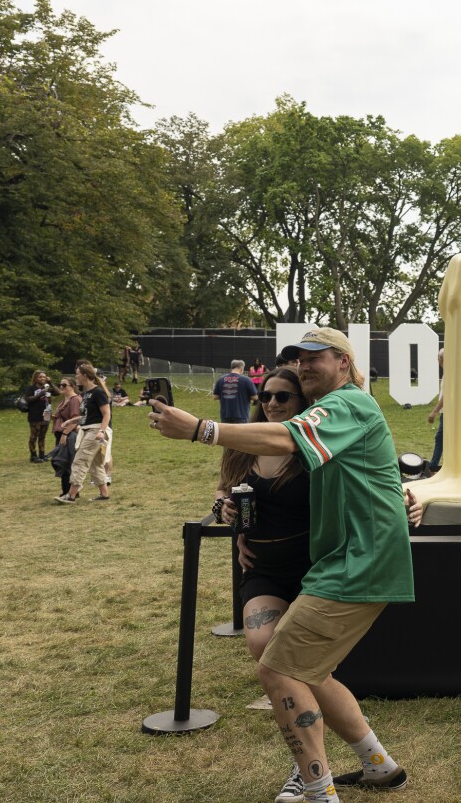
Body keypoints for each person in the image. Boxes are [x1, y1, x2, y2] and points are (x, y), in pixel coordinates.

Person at [150, 327, 414, 801]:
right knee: (303, 670)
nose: (305, 366)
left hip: (359, 562)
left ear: (346, 364)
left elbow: (291, 438)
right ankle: (379, 765)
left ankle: (317, 790)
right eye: (299, 359)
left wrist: (200, 428)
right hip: (339, 561)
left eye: (317, 357)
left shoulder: (349, 403)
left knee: (277, 668)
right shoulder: (330, 411)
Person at [221, 366, 428, 803]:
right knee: (275, 654)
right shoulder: (247, 445)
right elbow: (228, 493)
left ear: (303, 405)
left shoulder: (316, 439)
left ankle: (316, 777)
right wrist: (228, 513)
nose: (273, 404)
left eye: (284, 397)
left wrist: (414, 497)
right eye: (266, 396)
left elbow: (375, 474)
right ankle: (365, 767)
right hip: (262, 567)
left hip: (312, 567)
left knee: (290, 667)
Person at [56, 363, 111, 503]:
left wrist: (101, 431)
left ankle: (71, 495)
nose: (76, 377)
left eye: (77, 374)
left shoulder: (98, 392)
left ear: (85, 375)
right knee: (95, 463)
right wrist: (71, 421)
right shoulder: (86, 394)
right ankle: (104, 494)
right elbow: (87, 416)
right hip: (87, 429)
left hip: (95, 431)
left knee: (80, 460)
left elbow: (106, 414)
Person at [50, 377, 81, 499]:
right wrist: (51, 417)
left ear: (72, 386)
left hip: (68, 435)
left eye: (64, 385)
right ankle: (68, 490)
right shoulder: (64, 400)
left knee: (65, 462)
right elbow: (62, 418)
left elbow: (76, 419)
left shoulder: (74, 400)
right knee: (62, 462)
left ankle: (70, 491)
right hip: (60, 434)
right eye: (60, 385)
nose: (61, 387)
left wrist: (65, 434)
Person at [214, 359, 259, 425]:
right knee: (241, 434)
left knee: (227, 434)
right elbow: (255, 397)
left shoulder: (220, 379)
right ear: (241, 369)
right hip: (241, 414)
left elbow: (215, 397)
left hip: (225, 414)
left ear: (231, 368)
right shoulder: (246, 380)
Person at [22, 371, 53, 463]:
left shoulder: (47, 387)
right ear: (35, 378)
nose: (43, 378)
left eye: (44, 377)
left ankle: (42, 455)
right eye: (40, 377)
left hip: (46, 413)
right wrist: (40, 394)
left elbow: (58, 392)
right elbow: (28, 399)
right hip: (34, 415)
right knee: (34, 436)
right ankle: (33, 456)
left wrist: (50, 383)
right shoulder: (31, 388)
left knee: (42, 436)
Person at [426, 349, 444, 474]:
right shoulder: (447, 374)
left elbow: (446, 397)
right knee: (441, 439)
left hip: (447, 413)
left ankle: (433, 467)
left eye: (438, 357)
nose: (437, 360)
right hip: (445, 413)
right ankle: (434, 466)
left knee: (440, 438)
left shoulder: (448, 374)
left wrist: (434, 411)